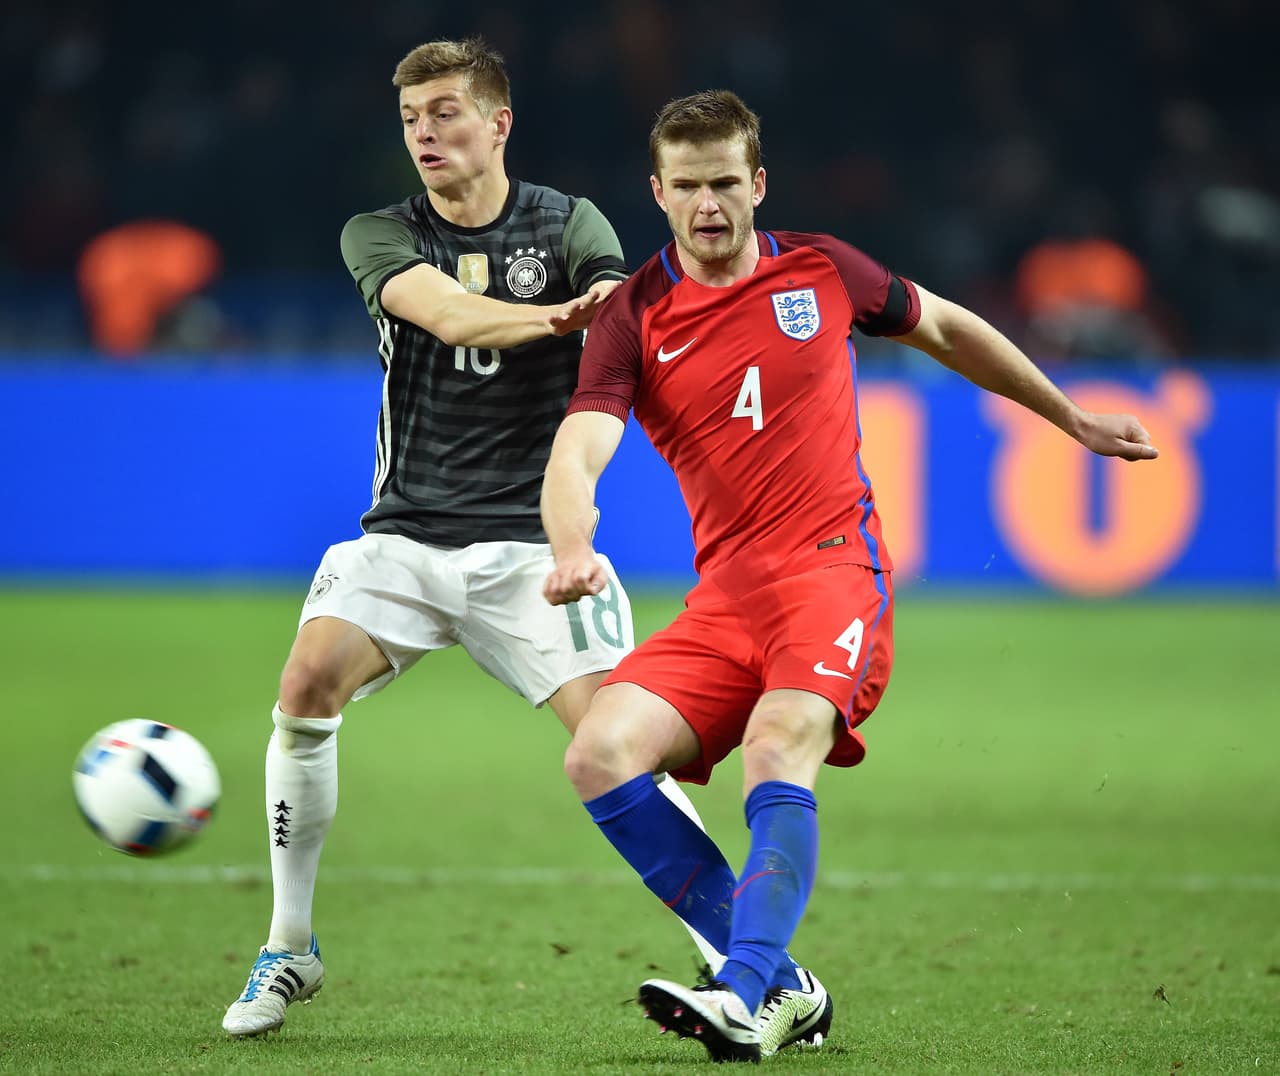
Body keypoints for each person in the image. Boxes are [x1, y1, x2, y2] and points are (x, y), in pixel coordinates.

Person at [540, 89, 1160, 1063]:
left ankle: (742, 989)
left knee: (778, 740)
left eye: (724, 184)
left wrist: (1068, 415)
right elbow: (578, 449)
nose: (708, 205)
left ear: (757, 183)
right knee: (599, 750)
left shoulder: (821, 270)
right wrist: (571, 543)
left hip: (831, 573)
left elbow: (947, 328)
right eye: (687, 186)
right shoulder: (632, 314)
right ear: (656, 193)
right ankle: (783, 982)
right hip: (727, 597)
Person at [220, 39, 744, 1038]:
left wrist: (614, 313)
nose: (425, 131)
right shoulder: (379, 233)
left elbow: (626, 318)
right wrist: (559, 317)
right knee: (304, 684)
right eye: (412, 115)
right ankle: (289, 945)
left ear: (498, 123)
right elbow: (445, 312)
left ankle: (739, 953)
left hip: (530, 547)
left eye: (447, 111)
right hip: (406, 535)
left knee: (620, 745)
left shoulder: (570, 221)